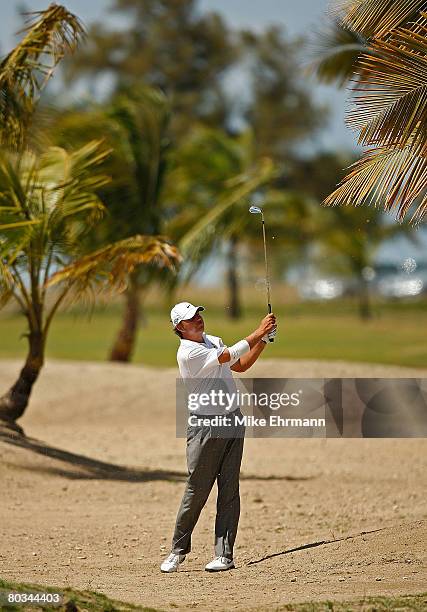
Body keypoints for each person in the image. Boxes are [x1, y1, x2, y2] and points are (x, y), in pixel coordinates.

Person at [160, 301, 277, 573]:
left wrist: (264, 341)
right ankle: (177, 551)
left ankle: (224, 555)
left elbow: (241, 365)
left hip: (233, 420)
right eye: (191, 318)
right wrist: (259, 331)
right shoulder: (188, 353)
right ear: (179, 327)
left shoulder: (213, 341)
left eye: (199, 314)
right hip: (205, 427)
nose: (198, 319)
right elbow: (228, 356)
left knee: (229, 489)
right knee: (197, 489)